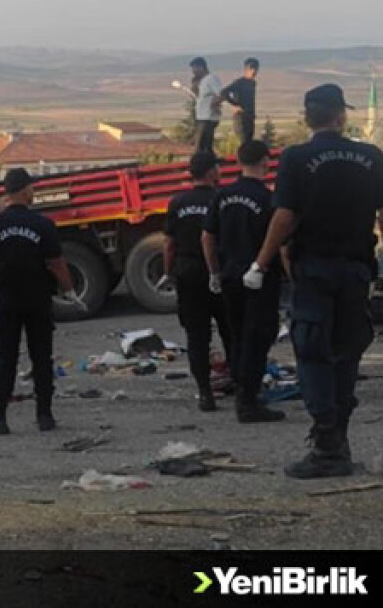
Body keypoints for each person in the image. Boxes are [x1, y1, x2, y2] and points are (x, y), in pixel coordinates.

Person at [246, 84, 382, 479]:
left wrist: (260, 263)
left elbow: (285, 216)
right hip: (356, 271)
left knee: (313, 355)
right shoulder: (372, 157)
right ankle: (338, 440)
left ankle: (326, 448)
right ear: (341, 116)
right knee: (346, 354)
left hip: (315, 271)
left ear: (308, 118)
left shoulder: (297, 158)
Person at [0, 169, 81, 435]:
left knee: (5, 358)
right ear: (25, 190)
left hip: (7, 300)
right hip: (38, 299)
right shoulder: (43, 224)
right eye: (32, 188)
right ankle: (45, 416)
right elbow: (56, 263)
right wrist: (69, 290)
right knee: (41, 357)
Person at [202, 140, 284, 423]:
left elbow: (208, 236)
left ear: (237, 160)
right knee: (258, 336)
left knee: (237, 335)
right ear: (266, 161)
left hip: (230, 276)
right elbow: (280, 241)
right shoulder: (267, 198)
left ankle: (243, 390)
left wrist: (214, 271)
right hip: (259, 277)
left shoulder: (222, 196)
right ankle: (248, 402)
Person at [162, 151, 233, 411]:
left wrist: (168, 272)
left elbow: (170, 243)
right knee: (231, 331)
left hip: (189, 271)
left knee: (197, 336)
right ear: (212, 171)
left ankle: (205, 393)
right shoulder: (222, 198)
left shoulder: (178, 202)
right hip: (219, 271)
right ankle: (240, 386)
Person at [189, 57, 224, 154]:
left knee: (200, 146)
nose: (193, 72)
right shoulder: (202, 81)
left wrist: (215, 104)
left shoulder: (211, 79)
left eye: (195, 69)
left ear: (201, 67)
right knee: (206, 146)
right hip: (201, 117)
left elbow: (221, 94)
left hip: (208, 118)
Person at [221, 58, 260, 144]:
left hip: (250, 117)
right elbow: (224, 92)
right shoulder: (239, 82)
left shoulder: (253, 83)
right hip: (240, 118)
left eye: (256, 69)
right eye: (251, 68)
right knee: (244, 143)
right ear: (246, 69)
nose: (254, 71)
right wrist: (234, 105)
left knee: (249, 142)